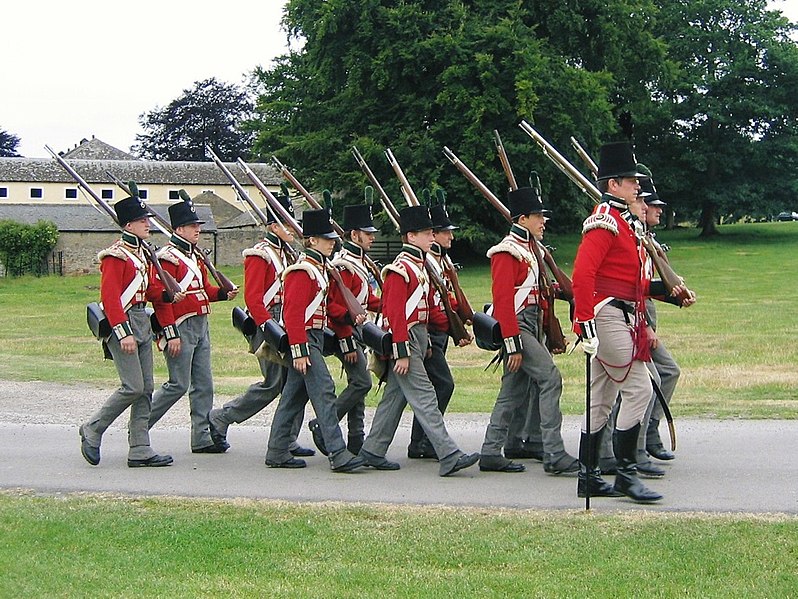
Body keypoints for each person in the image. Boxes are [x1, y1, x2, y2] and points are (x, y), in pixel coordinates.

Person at [572, 141, 679, 502]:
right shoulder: (604, 221)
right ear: (612, 184)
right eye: (630, 181)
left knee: (600, 399)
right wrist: (583, 322)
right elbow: (583, 275)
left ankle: (587, 476)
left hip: (623, 312)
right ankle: (625, 474)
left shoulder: (624, 221)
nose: (637, 186)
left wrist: (671, 294)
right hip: (607, 315)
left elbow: (632, 282)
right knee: (640, 389)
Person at [359, 205, 480, 476]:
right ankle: (448, 454)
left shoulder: (419, 267)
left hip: (417, 338)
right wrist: (401, 351)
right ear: (411, 236)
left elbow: (427, 312)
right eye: (426, 233)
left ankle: (373, 450)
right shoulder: (400, 269)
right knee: (425, 397)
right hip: (405, 339)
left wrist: (439, 337)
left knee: (395, 397)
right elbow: (395, 315)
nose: (431, 237)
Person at [479, 187, 578, 474]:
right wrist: (512, 344)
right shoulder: (506, 251)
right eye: (538, 217)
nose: (543, 222)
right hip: (518, 326)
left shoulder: (533, 250)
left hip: (532, 324)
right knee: (550, 378)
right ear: (522, 219)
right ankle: (554, 452)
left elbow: (545, 288)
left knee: (512, 391)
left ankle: (490, 451)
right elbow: (504, 301)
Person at [208, 194, 313, 457]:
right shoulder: (260, 255)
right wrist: (269, 329)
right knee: (274, 383)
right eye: (287, 224)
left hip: (287, 320)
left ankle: (288, 438)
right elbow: (253, 298)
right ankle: (222, 417)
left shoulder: (290, 254)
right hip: (266, 324)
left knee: (296, 382)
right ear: (274, 226)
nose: (292, 228)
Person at [79, 195, 177, 468]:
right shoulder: (116, 255)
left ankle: (140, 447)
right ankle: (93, 428)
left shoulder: (143, 253)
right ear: (129, 224)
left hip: (142, 320)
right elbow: (111, 298)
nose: (148, 224)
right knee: (133, 386)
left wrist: (169, 295)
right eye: (143, 221)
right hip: (122, 322)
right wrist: (123, 333)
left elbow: (148, 290)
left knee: (146, 388)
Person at [264, 207, 366, 472]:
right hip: (305, 339)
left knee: (293, 397)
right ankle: (337, 452)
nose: (332, 242)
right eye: (326, 238)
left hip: (315, 337)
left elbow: (327, 308)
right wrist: (299, 350)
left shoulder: (320, 268)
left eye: (332, 238)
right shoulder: (302, 271)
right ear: (312, 240)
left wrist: (347, 317)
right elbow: (293, 314)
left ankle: (276, 450)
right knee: (324, 391)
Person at [148, 193, 239, 453]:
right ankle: (140, 427)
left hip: (200, 324)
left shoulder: (195, 256)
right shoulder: (168, 258)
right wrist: (170, 332)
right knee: (178, 384)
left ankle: (201, 438)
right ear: (178, 229)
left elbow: (203, 290)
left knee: (204, 384)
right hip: (180, 326)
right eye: (192, 226)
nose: (197, 229)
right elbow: (162, 300)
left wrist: (223, 293)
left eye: (197, 225)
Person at [314, 200, 382, 456]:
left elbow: (363, 299)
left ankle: (356, 438)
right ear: (354, 235)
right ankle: (324, 424)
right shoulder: (343, 266)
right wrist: (346, 340)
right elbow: (334, 307)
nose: (372, 238)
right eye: (367, 234)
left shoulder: (359, 263)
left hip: (359, 331)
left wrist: (389, 305)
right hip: (347, 333)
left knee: (358, 384)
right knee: (362, 383)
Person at [407, 197, 472, 460]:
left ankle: (419, 442)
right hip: (429, 332)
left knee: (426, 389)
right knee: (442, 385)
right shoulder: (427, 262)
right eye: (444, 232)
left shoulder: (439, 261)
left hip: (438, 332)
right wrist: (452, 324)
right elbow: (431, 302)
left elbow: (447, 296)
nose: (448, 237)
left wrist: (462, 317)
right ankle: (427, 442)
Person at [639, 168, 685, 462]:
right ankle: (638, 442)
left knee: (663, 373)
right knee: (655, 376)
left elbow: (647, 286)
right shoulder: (634, 240)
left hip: (644, 315)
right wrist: (644, 325)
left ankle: (648, 433)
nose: (657, 210)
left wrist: (677, 295)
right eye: (653, 205)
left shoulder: (647, 241)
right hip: (633, 318)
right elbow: (629, 290)